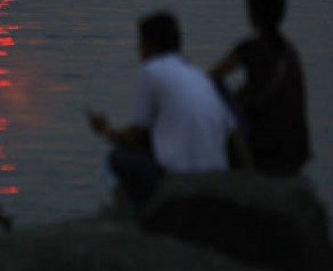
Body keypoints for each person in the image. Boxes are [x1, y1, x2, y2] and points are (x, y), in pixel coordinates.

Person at [88, 12, 249, 211]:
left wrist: (106, 131)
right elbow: (234, 136)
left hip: (179, 180)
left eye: (141, 43)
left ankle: (148, 210)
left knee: (117, 158)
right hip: (216, 176)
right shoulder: (199, 77)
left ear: (150, 45)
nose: (139, 50)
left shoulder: (152, 71)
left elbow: (135, 137)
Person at [210, 0, 311, 176]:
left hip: (266, 149)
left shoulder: (250, 49)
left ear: (251, 12)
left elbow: (211, 78)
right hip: (297, 151)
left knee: (215, 89)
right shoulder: (290, 52)